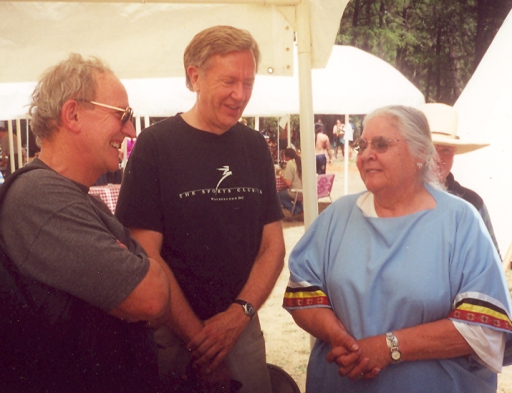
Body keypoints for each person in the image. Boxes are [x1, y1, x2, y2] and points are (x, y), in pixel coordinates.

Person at [283, 105, 511, 393]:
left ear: (419, 154)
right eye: (362, 145)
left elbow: (484, 327)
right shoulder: (338, 215)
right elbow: (302, 291)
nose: (366, 154)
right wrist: (339, 337)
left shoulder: (460, 221)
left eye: (381, 144)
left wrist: (388, 347)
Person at [115, 25, 285, 392]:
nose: (240, 95)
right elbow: (146, 255)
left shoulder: (255, 146)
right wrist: (202, 341)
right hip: (172, 339)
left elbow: (273, 247)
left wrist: (239, 315)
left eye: (249, 83)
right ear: (195, 76)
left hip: (243, 330)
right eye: (228, 81)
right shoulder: (155, 146)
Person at [0, 54, 172, 391]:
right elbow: (151, 297)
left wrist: (136, 265)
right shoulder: (41, 197)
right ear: (73, 114)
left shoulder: (73, 198)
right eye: (122, 115)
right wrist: (141, 265)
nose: (131, 130)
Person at [420, 103, 500, 255]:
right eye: (431, 148)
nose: (438, 158)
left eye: (446, 150)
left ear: (454, 154)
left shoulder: (473, 204)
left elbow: (491, 266)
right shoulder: (391, 200)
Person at [278, 148, 303, 218]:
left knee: (278, 195)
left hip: (296, 192)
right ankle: (300, 209)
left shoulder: (290, 164)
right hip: (304, 191)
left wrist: (282, 177)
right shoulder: (300, 161)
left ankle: (296, 210)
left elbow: (288, 183)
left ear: (287, 157)